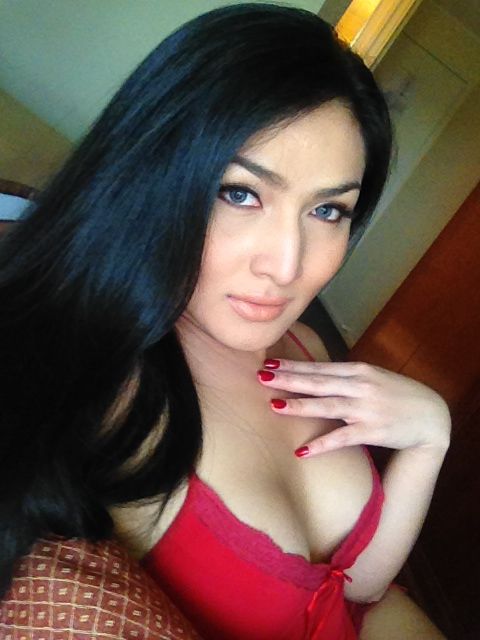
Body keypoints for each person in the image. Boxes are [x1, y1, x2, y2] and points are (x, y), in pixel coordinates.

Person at [0, 3, 450, 638]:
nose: (287, 266)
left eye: (327, 211)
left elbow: (357, 589)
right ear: (153, 173)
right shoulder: (88, 380)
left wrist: (429, 441)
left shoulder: (307, 347)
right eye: (240, 193)